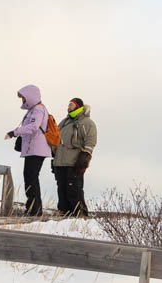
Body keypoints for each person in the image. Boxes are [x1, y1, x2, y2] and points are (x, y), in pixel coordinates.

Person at [5, 86, 52, 217]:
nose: (23, 100)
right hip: (33, 149)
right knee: (30, 177)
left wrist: (14, 133)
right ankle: (33, 208)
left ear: (31, 96)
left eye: (24, 97)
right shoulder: (33, 110)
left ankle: (34, 209)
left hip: (37, 149)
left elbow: (33, 127)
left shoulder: (38, 109)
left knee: (31, 178)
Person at [50, 96, 97, 218]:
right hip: (60, 162)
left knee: (74, 190)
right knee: (62, 189)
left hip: (74, 162)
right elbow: (56, 138)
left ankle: (79, 214)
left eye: (71, 105)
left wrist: (84, 160)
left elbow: (90, 142)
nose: (68, 107)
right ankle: (64, 213)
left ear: (78, 106)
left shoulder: (87, 123)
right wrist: (54, 158)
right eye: (68, 105)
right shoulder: (65, 122)